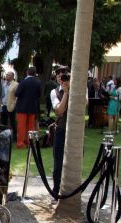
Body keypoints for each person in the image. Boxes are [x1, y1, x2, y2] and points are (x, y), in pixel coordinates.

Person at [50, 66, 70, 201]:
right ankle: (56, 191)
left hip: (75, 132)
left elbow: (84, 103)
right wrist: (66, 93)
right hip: (61, 130)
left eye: (64, 76)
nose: (62, 78)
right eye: (59, 76)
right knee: (58, 164)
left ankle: (71, 191)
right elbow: (59, 111)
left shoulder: (80, 89)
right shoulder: (54, 92)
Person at [14, 66, 41, 148]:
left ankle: (20, 143)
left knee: (21, 126)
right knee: (31, 126)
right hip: (32, 107)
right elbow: (39, 95)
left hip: (22, 107)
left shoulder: (23, 82)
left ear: (27, 72)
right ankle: (30, 142)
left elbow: (17, 93)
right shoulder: (38, 82)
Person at [0, 71, 18, 142]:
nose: (6, 76)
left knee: (12, 122)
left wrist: (15, 104)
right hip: (3, 105)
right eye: (6, 75)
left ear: (12, 77)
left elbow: (17, 96)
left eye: (8, 75)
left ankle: (14, 137)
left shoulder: (16, 84)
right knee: (3, 121)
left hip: (11, 105)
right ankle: (5, 136)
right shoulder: (3, 84)